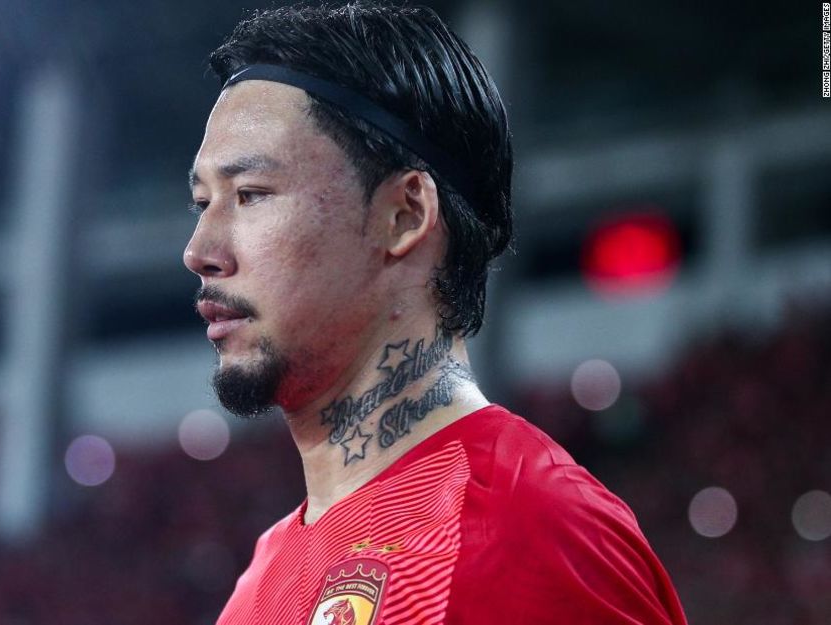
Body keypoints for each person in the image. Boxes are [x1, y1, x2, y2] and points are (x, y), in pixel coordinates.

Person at [183, 3, 687, 623]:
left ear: (404, 215)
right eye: (202, 202)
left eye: (250, 195)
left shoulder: (532, 531)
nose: (199, 252)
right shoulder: (260, 581)